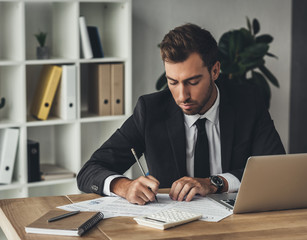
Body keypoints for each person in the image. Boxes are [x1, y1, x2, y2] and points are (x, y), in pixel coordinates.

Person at [77, 23, 285, 205]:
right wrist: (124, 187)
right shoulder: (151, 110)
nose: (182, 95)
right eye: (173, 82)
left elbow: (275, 170)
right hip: (172, 226)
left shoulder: (248, 103)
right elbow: (89, 171)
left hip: (236, 223)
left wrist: (215, 183)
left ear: (215, 71)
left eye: (192, 82)